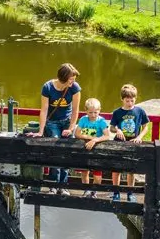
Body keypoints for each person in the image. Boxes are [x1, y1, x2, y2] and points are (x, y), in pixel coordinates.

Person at [28, 63, 81, 196]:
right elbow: (44, 109)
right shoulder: (48, 87)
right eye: (71, 79)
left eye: (74, 79)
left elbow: (75, 111)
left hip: (67, 121)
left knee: (66, 152)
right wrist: (40, 131)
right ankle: (53, 185)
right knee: (55, 151)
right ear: (64, 77)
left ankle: (63, 186)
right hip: (52, 122)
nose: (73, 81)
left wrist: (71, 128)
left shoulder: (74, 88)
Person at [109, 84, 149, 202]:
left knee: (131, 170)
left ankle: (130, 193)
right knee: (117, 169)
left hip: (133, 144)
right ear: (122, 99)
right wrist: (118, 129)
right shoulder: (117, 112)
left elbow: (146, 126)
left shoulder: (139, 111)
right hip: (120, 143)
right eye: (127, 100)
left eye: (132, 100)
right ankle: (116, 192)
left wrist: (140, 136)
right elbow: (111, 127)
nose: (130, 103)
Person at [74, 98, 111, 198]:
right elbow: (77, 133)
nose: (93, 115)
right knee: (84, 172)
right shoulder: (83, 119)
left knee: (97, 175)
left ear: (99, 110)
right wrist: (89, 137)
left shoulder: (101, 121)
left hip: (96, 151)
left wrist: (95, 140)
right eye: (90, 112)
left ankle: (94, 191)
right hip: (85, 149)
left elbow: (107, 136)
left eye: (96, 112)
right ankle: (86, 190)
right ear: (86, 111)